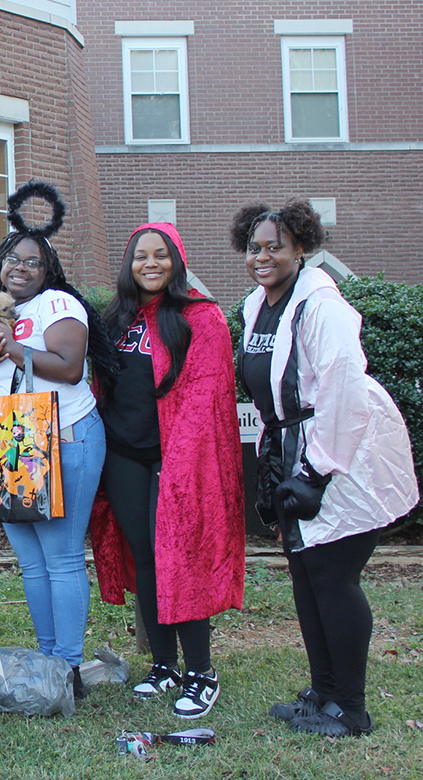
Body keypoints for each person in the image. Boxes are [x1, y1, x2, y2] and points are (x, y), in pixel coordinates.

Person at [231, 200, 417, 737]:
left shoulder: (323, 307)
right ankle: (325, 691)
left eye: (275, 247)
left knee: (334, 578)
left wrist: (316, 472)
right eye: (254, 247)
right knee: (308, 579)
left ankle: (351, 708)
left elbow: (342, 392)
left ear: (301, 249)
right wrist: (276, 461)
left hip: (344, 453)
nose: (262, 257)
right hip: (293, 447)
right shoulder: (256, 306)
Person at [0, 183, 118, 699]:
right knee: (30, 558)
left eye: (32, 262)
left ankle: (68, 666)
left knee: (63, 555)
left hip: (65, 437)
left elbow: (71, 369)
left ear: (47, 271)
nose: (20, 269)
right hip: (13, 442)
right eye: (12, 260)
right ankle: (49, 656)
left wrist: (13, 346)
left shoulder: (59, 304)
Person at [89, 221, 244, 719]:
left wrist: (180, 465)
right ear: (128, 264)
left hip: (178, 459)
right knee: (145, 558)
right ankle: (165, 665)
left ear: (176, 260)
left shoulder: (201, 318)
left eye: (160, 255)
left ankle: (201, 672)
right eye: (140, 256)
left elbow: (206, 401)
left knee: (181, 557)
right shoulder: (117, 318)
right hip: (124, 456)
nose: (150, 264)